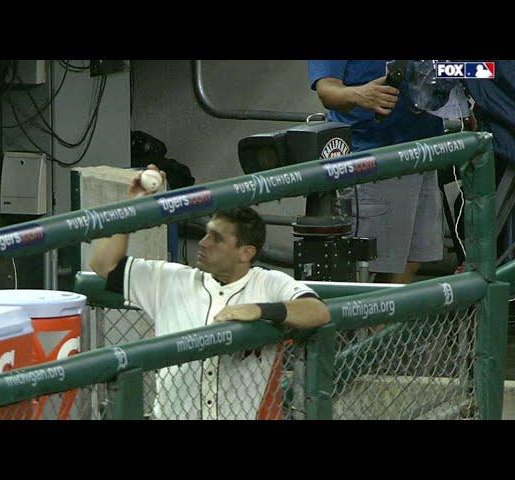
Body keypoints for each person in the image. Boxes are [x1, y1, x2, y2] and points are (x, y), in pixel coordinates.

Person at [89, 165, 330, 420]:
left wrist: (260, 310)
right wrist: (132, 206)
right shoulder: (170, 280)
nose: (203, 243)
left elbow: (318, 311)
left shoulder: (268, 284)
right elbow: (103, 264)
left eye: (216, 238)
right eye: (206, 234)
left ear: (245, 252)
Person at [308, 60, 446, 283]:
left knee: (414, 255)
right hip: (372, 158)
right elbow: (327, 90)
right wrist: (359, 94)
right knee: (369, 263)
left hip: (422, 153)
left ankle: (389, 318)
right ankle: (367, 317)